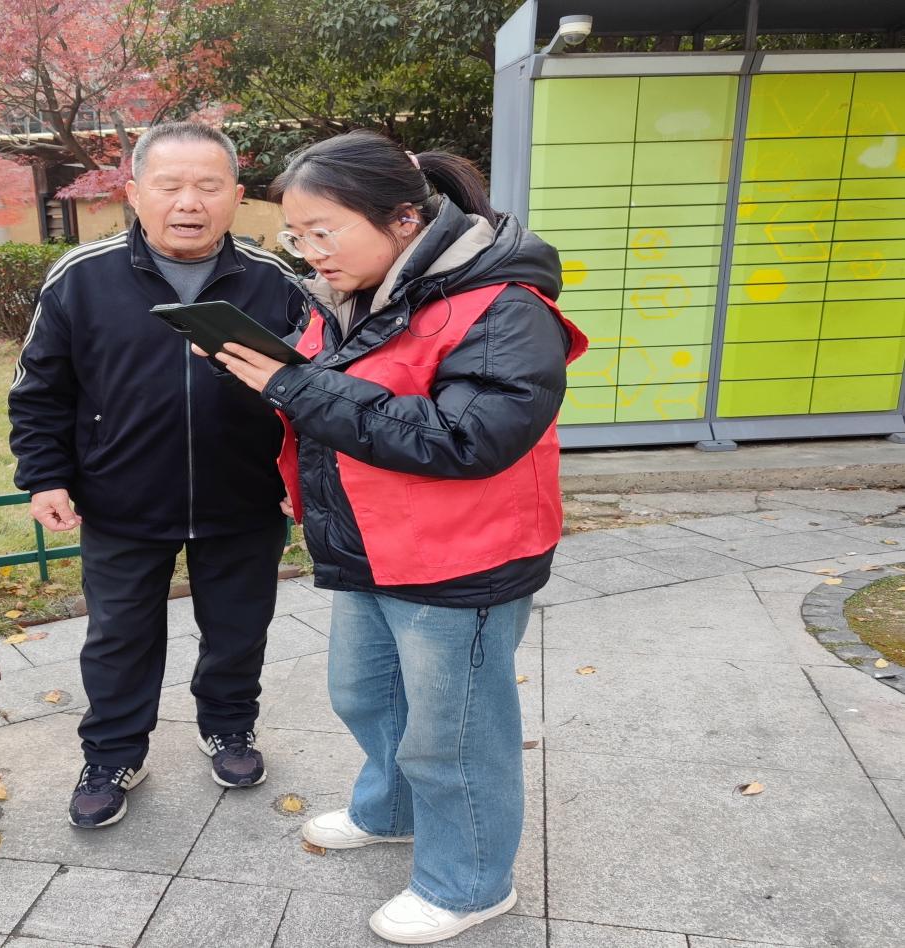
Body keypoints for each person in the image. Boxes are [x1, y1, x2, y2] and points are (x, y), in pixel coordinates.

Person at [202, 130, 587, 944]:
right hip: (371, 545)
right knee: (365, 695)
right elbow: (339, 404)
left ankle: (469, 883)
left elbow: (469, 439)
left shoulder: (504, 307)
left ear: (403, 219)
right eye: (295, 236)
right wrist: (260, 372)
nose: (309, 253)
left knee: (454, 737)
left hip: (462, 558)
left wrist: (298, 387)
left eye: (322, 231)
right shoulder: (355, 296)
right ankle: (394, 812)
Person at [8, 122, 301, 829]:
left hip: (244, 496)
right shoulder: (82, 276)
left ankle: (229, 727)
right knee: (118, 636)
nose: (188, 203)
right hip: (120, 497)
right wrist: (46, 477)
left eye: (207, 187)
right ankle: (113, 754)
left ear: (236, 196)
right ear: (135, 193)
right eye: (170, 186)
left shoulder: (276, 282)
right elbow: (40, 388)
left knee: (239, 628)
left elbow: (314, 390)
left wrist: (303, 479)